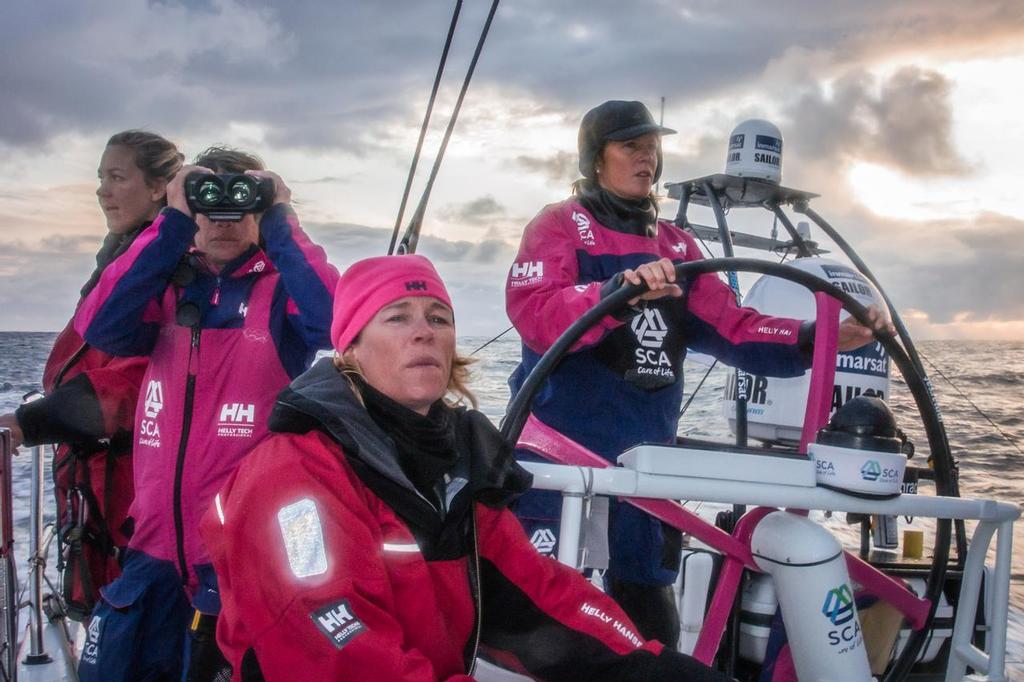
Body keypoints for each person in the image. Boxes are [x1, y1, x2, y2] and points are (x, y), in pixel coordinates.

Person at [200, 254, 734, 681]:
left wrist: (645, 665)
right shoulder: (294, 478)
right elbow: (334, 645)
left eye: (438, 318)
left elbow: (533, 594)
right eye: (396, 318)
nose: (424, 332)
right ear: (351, 348)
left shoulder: (456, 463)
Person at [505, 100, 892, 647]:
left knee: (648, 611)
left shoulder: (679, 247)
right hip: (560, 463)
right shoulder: (559, 226)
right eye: (630, 147)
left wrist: (818, 336)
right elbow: (536, 313)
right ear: (596, 158)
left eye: (652, 148)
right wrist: (616, 293)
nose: (647, 159)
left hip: (645, 468)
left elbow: (736, 328)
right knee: (544, 616)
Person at [73, 146, 339, 681]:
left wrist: (282, 218)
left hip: (239, 559)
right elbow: (99, 325)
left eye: (243, 206)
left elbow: (338, 322)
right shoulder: (166, 291)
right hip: (152, 548)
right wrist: (169, 221)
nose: (224, 220)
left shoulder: (279, 292)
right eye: (206, 206)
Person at [0, 130, 182, 619]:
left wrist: (30, 422)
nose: (102, 190)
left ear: (160, 188)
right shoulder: (122, 256)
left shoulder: (172, 267)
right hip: (95, 477)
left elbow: (138, 382)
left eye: (117, 177)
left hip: (133, 483)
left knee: (131, 616)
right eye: (100, 177)